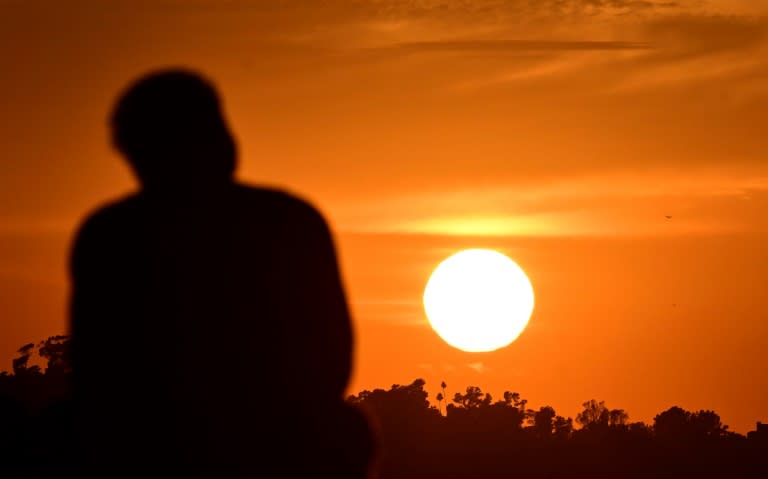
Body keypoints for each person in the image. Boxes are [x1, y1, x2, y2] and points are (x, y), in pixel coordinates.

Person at [68, 69, 375, 478]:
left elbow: (93, 371)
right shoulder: (291, 220)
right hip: (219, 438)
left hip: (200, 437)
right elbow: (333, 357)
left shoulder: (109, 233)